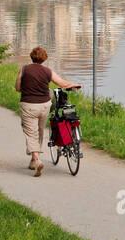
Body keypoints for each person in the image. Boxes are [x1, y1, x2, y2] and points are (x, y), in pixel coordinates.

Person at [14, 46, 79, 176]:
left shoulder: (24, 69)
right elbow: (61, 83)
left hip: (28, 105)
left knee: (31, 133)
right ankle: (33, 160)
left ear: (31, 57)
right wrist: (73, 85)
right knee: (39, 131)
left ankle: (37, 160)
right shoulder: (47, 71)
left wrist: (26, 89)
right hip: (44, 106)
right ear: (44, 58)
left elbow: (17, 88)